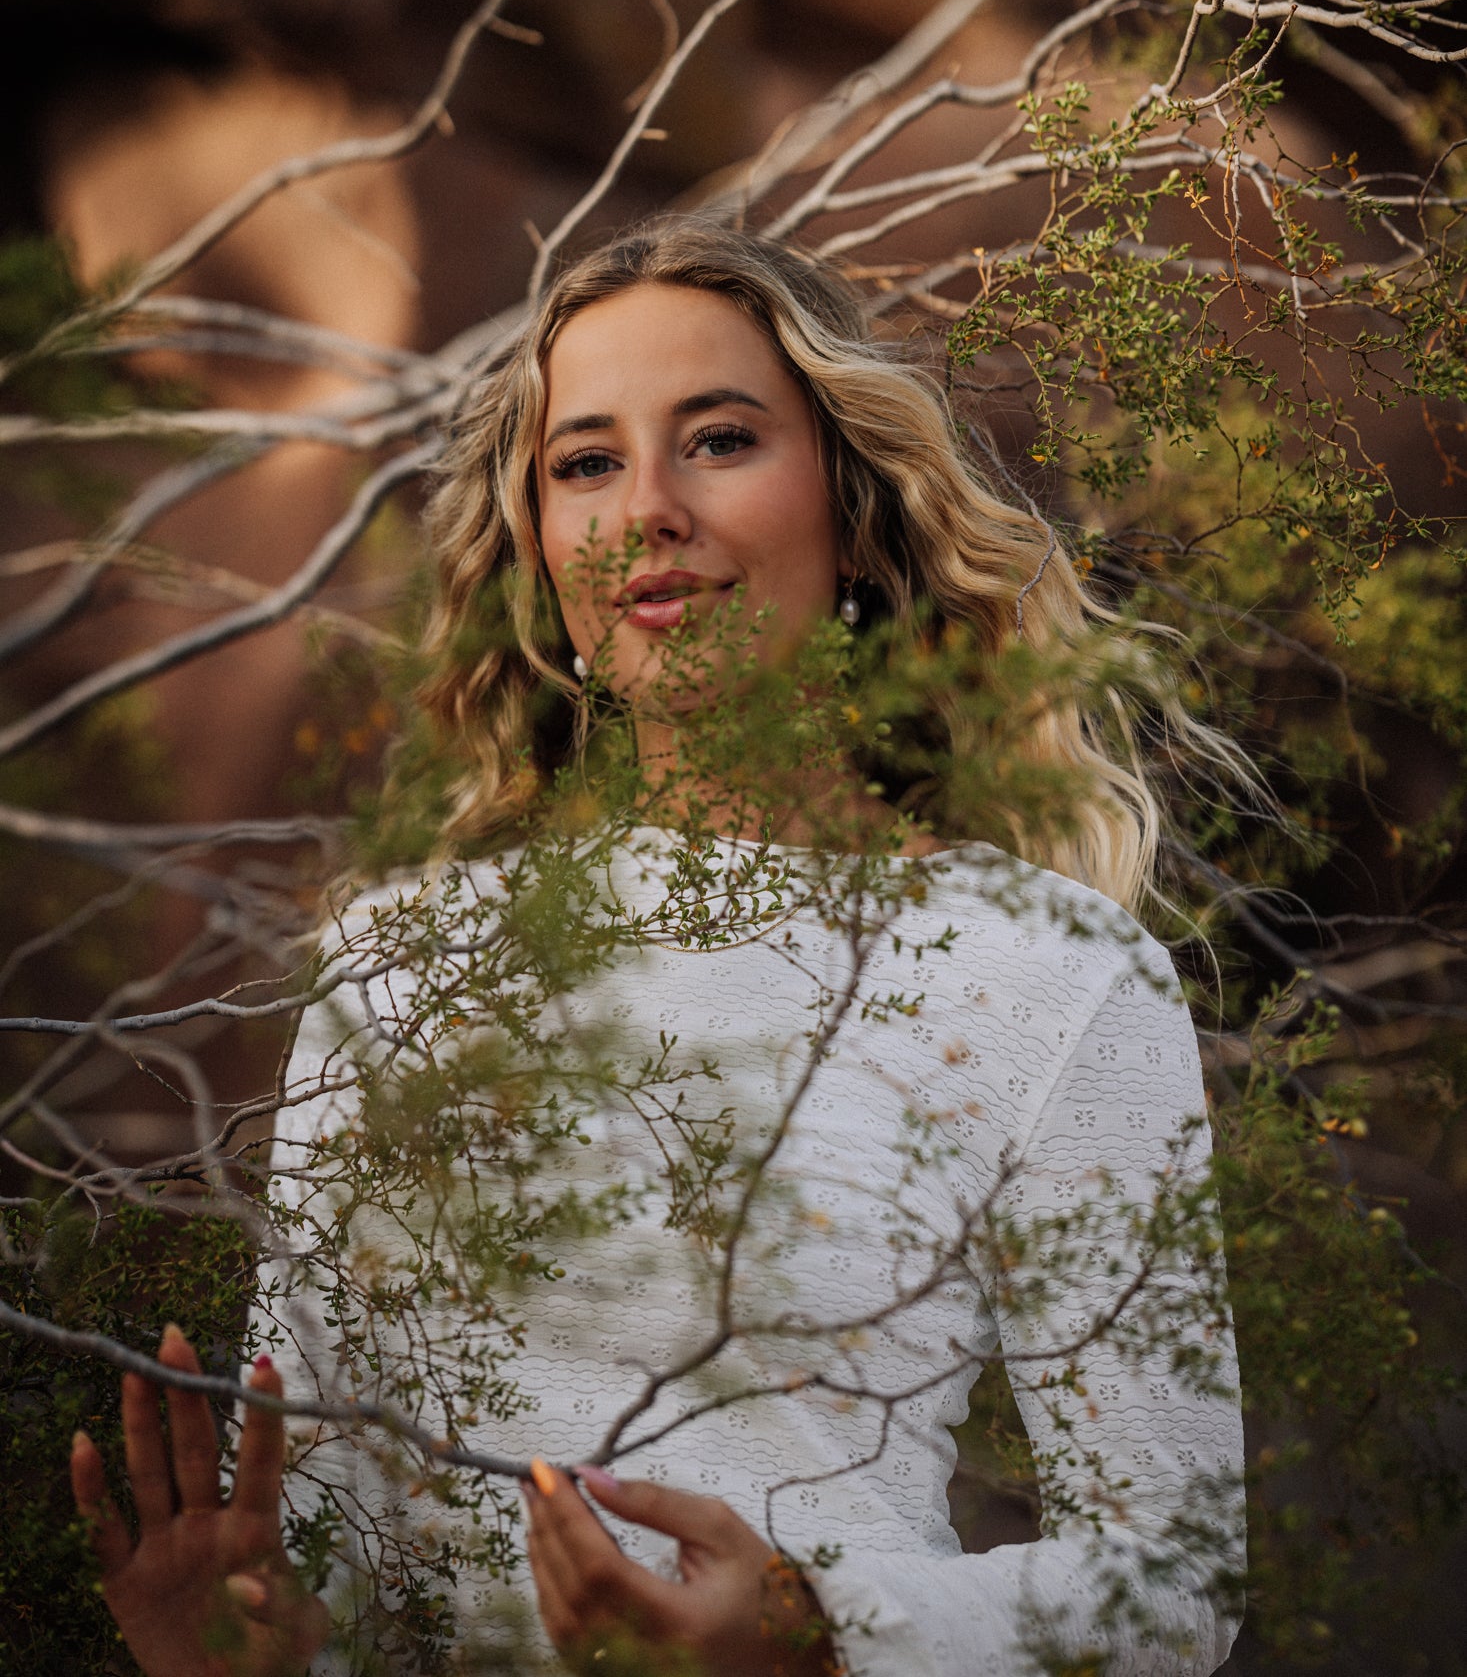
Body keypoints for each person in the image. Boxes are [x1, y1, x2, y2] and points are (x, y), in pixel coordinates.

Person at [73, 221, 1247, 1676]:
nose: (649, 509)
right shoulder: (398, 960)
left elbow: (1171, 1579)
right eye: (586, 463)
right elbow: (327, 1537)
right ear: (539, 551)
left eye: (720, 440)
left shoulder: (1048, 970)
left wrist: (814, 1630)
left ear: (853, 505)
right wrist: (241, 1649)